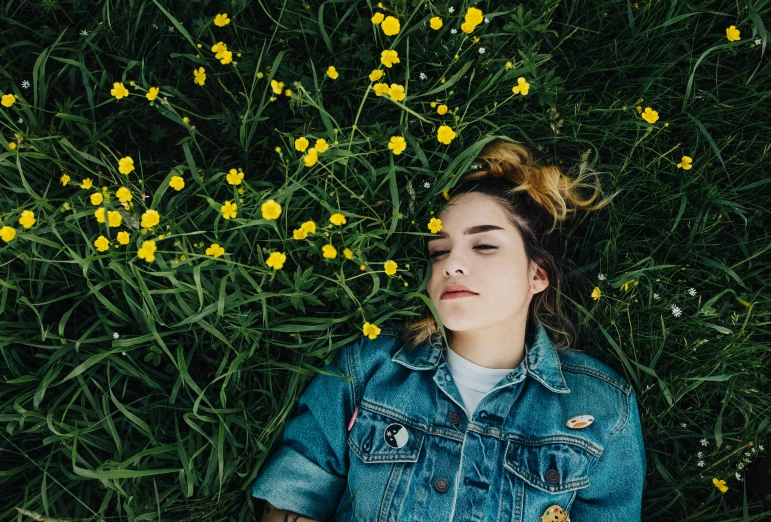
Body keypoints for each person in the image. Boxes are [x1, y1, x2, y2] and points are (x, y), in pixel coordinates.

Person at [250, 138, 647, 522]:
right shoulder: (369, 367)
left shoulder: (600, 407)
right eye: (438, 250)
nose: (451, 263)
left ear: (537, 274)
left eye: (484, 246)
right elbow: (293, 493)